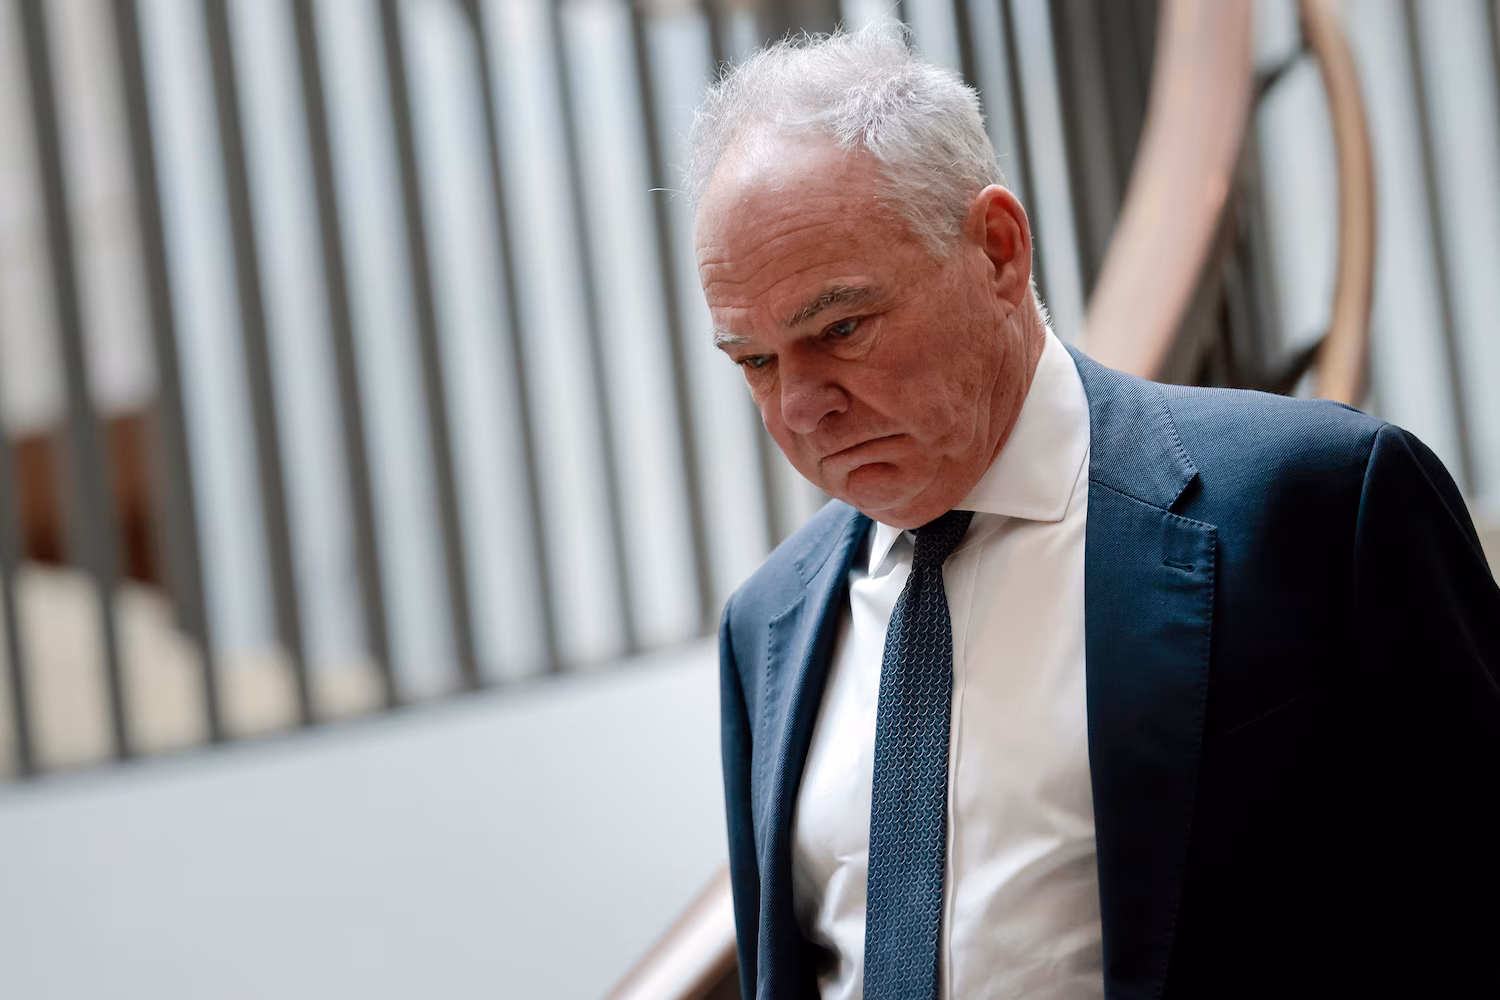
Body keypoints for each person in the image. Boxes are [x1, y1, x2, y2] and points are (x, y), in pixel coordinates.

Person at [688, 22, 1500, 1000]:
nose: (798, 405)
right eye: (756, 360)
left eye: (841, 327)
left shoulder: (1320, 502)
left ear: (997, 251)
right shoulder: (765, 622)